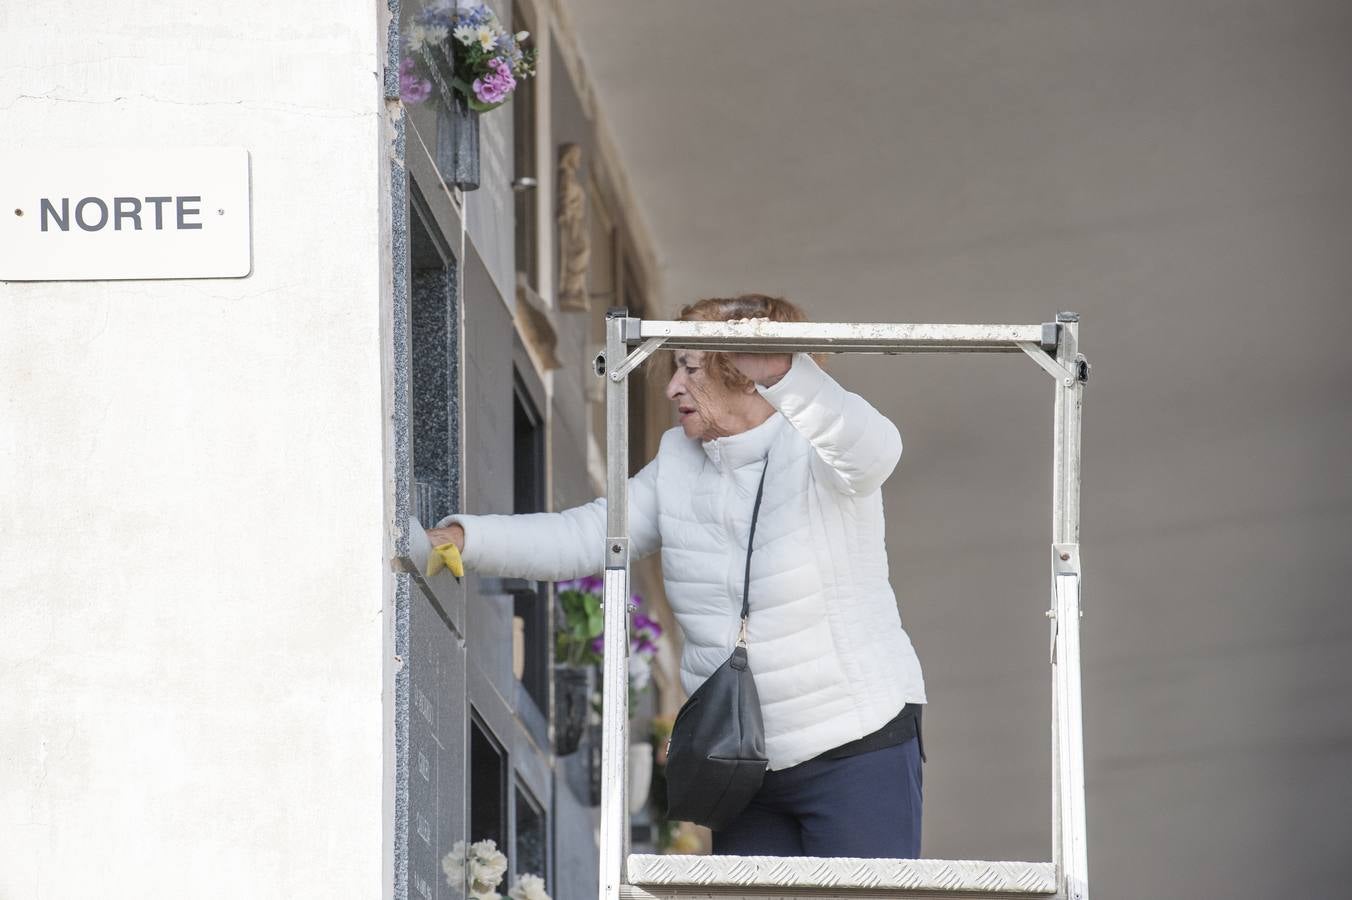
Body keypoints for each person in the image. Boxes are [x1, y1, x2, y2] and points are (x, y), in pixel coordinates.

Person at [427, 293, 926, 858]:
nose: (672, 388)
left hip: (856, 745)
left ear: (746, 375)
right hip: (740, 761)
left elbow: (879, 449)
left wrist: (786, 371)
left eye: (690, 367)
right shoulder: (677, 461)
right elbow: (589, 535)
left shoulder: (821, 450)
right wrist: (466, 540)